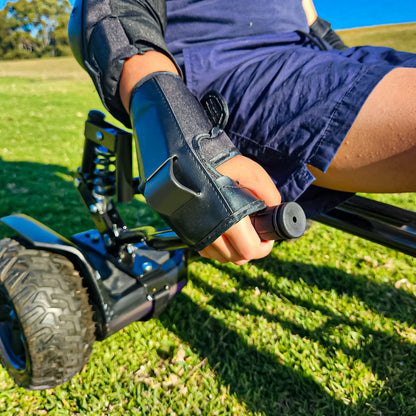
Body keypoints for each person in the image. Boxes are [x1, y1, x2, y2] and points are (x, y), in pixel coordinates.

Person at [68, 0, 416, 265]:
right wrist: (175, 119)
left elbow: (308, 15)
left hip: (321, 55)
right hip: (233, 64)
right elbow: (113, 12)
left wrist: (359, 75)